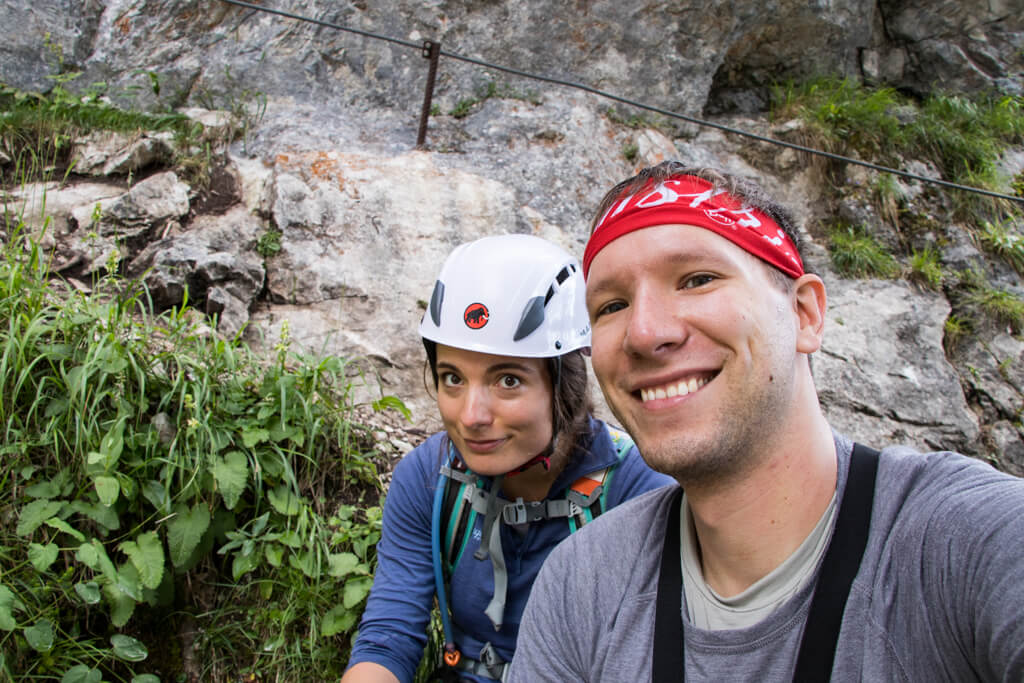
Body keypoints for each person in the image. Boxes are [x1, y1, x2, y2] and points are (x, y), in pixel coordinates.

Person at [508, 163, 1024, 682]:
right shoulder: (584, 583)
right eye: (612, 305)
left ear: (804, 314)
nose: (644, 332)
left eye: (697, 279)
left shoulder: (967, 542)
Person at [342, 234, 673, 683]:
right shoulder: (429, 479)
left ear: (566, 383)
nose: (471, 416)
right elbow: (389, 637)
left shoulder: (639, 491)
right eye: (452, 378)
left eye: (508, 381)